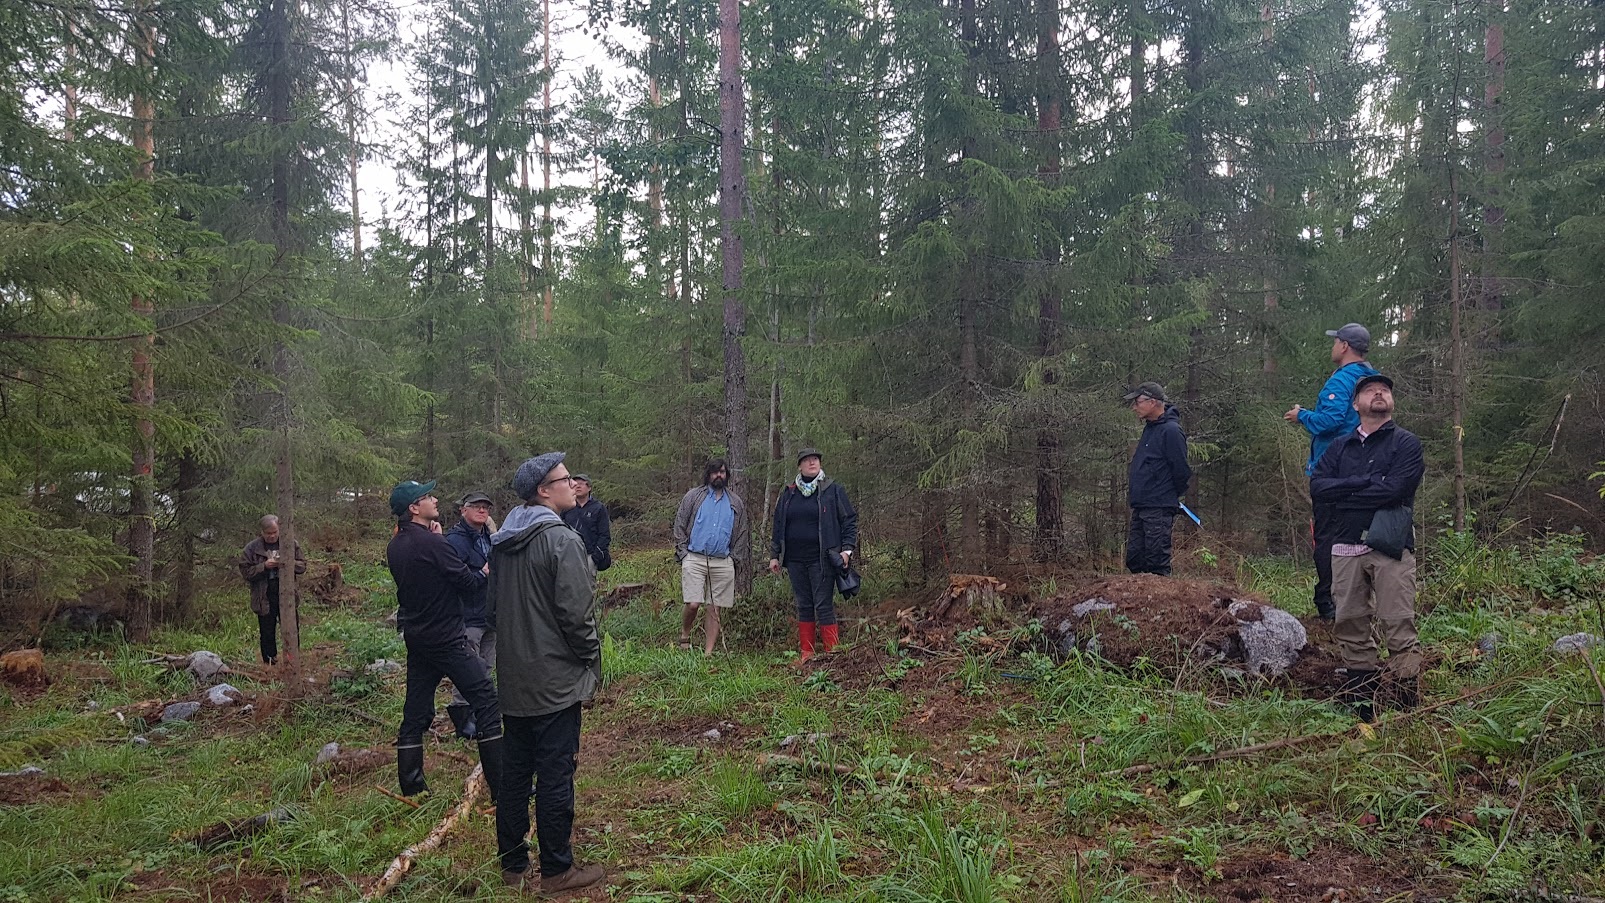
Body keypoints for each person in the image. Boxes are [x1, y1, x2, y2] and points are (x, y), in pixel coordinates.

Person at [488, 452, 606, 894]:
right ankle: (557, 870)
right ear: (543, 490)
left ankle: (512, 866)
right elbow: (578, 618)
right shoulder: (562, 542)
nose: (573, 484)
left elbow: (491, 611)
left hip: (515, 679)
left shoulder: (501, 541)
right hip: (555, 682)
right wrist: (591, 660)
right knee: (556, 773)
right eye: (564, 479)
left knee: (515, 773)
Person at [1310, 374, 1425, 721]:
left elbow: (1396, 489)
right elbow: (1318, 488)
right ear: (1356, 404)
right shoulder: (1339, 447)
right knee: (1349, 621)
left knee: (1397, 620)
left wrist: (1344, 494)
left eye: (1385, 390)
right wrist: (1366, 483)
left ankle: (1407, 703)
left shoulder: (1406, 443)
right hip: (1344, 544)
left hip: (1389, 544)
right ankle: (1362, 704)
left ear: (1391, 402)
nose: (1379, 393)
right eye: (1370, 390)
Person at [385, 480, 503, 802]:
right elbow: (466, 582)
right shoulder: (433, 544)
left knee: (414, 714)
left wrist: (437, 541)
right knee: (487, 700)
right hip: (448, 639)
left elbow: (431, 576)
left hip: (418, 638)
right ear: (414, 508)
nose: (435, 499)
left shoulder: (395, 546)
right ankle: (503, 788)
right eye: (427, 497)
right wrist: (486, 571)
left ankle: (413, 788)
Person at [1285, 323, 1379, 621]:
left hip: (1333, 472)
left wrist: (1302, 415)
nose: (1333, 346)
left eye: (1335, 341)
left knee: (1328, 538)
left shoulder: (1343, 380)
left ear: (1344, 346)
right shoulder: (1373, 379)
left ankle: (1328, 602)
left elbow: (1330, 421)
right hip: (1363, 470)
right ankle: (1354, 602)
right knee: (1355, 537)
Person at [768, 448, 857, 665]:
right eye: (807, 460)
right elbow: (779, 525)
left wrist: (846, 551)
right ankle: (806, 654)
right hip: (795, 559)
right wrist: (774, 555)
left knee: (823, 604)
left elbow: (849, 521)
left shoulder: (832, 490)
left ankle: (833, 654)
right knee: (804, 604)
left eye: (815, 459)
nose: (812, 463)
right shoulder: (788, 493)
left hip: (823, 559)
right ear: (799, 466)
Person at [673, 459, 749, 655]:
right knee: (693, 603)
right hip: (694, 557)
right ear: (708, 474)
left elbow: (741, 533)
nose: (719, 476)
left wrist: (734, 559)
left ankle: (708, 652)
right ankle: (685, 634)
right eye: (715, 472)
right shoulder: (694, 497)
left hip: (722, 561)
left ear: (727, 475)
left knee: (714, 608)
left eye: (722, 472)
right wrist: (683, 553)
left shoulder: (735, 502)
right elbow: (680, 523)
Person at [1123, 382, 1193, 576]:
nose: (1134, 407)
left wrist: (1166, 495)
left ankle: (1162, 604)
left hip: (1159, 507)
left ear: (1153, 402)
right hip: (1142, 506)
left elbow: (1181, 471)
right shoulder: (1150, 428)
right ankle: (1139, 603)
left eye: (1138, 402)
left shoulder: (1171, 431)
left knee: (1156, 563)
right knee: (1135, 559)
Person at [443, 491, 496, 740]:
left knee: (485, 666)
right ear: (463, 510)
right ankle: (463, 722)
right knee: (467, 668)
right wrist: (483, 572)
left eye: (485, 507)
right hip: (467, 615)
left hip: (490, 612)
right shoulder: (454, 540)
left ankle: (482, 715)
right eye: (476, 506)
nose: (482, 510)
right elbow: (456, 579)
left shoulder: (490, 536)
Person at [237, 515, 306, 665]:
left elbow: (302, 566)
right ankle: (270, 662)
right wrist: (264, 567)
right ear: (262, 532)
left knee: (292, 630)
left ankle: (292, 660)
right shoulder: (252, 548)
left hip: (287, 595)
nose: (272, 536)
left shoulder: (290, 544)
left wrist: (288, 562)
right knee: (267, 631)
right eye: (268, 533)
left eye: (275, 532)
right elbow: (246, 572)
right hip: (264, 596)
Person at [561, 474, 613, 572]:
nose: (578, 486)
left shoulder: (598, 508)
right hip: (569, 555)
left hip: (589, 555)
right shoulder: (567, 506)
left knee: (588, 586)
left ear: (589, 487)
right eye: (575, 484)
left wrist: (595, 557)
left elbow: (604, 534)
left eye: (581, 484)